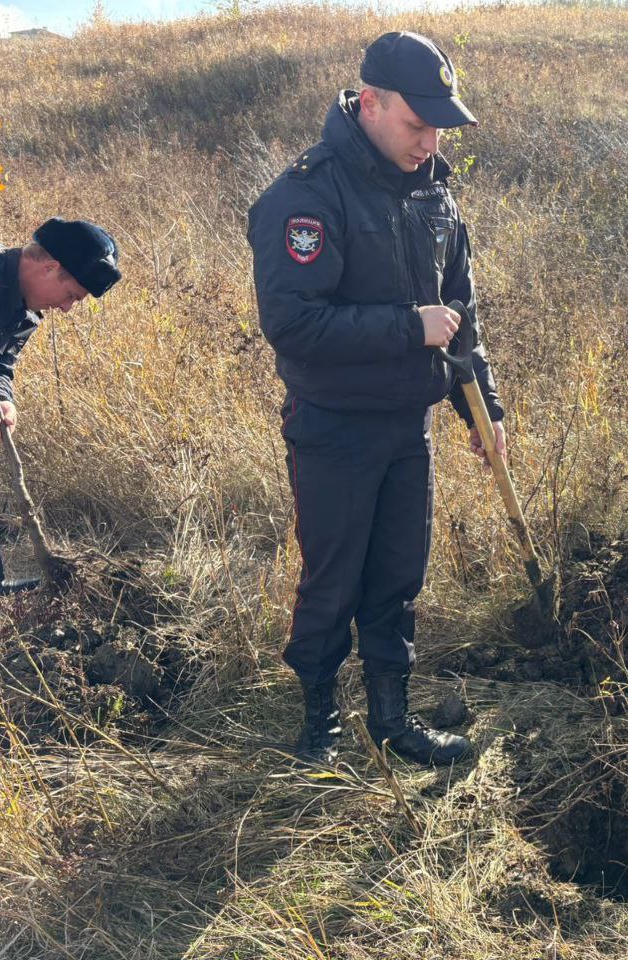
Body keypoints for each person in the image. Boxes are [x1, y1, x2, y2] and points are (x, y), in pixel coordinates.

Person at [248, 31, 505, 768]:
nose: (429, 141)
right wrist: (405, 329)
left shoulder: (433, 191)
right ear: (370, 103)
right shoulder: (306, 194)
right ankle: (319, 724)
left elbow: (461, 314)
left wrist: (483, 410)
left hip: (407, 426)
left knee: (397, 575)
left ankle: (391, 721)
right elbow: (293, 324)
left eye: (438, 127)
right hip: (333, 427)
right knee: (333, 578)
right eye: (416, 124)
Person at [0, 217, 121, 596]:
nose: (67, 309)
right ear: (50, 268)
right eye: (73, 295)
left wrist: (0, 401)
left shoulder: (23, 313)